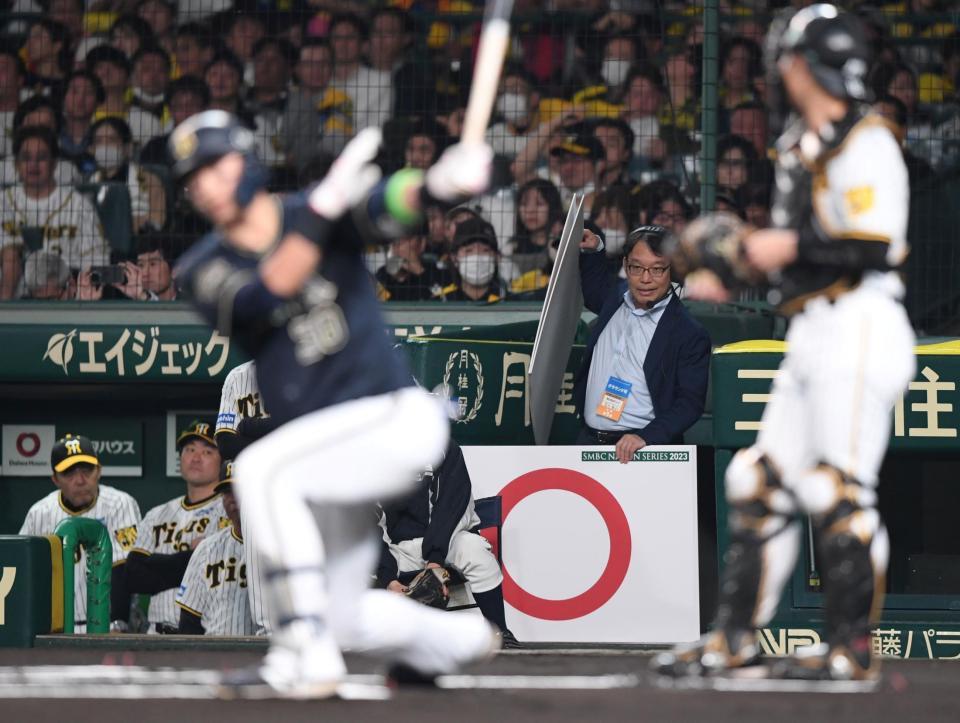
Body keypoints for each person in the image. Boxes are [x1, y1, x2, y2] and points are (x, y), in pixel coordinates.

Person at [170, 110, 498, 697]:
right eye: (195, 177)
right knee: (342, 613)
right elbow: (264, 292)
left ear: (247, 161)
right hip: (330, 451)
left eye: (216, 166)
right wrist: (322, 212)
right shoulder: (201, 268)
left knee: (265, 468)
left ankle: (299, 656)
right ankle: (460, 641)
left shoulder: (315, 212)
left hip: (392, 419)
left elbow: (387, 206)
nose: (207, 185)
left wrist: (438, 185)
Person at [652, 5, 915, 683]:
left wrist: (783, 245)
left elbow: (879, 245)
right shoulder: (806, 141)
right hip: (812, 327)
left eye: (790, 60)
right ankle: (734, 638)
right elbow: (801, 257)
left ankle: (852, 649)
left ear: (809, 63)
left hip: (860, 324)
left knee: (837, 488)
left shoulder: (868, 139)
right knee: (756, 479)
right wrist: (736, 264)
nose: (782, 72)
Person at [575, 224, 710, 463]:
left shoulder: (688, 333)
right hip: (588, 441)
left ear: (673, 270)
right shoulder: (614, 297)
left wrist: (646, 437)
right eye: (637, 268)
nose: (646, 279)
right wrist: (595, 248)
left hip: (642, 452)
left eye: (657, 269)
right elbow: (594, 286)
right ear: (626, 266)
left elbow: (690, 403)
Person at [376, 438, 516, 645]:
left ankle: (498, 632)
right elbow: (365, 525)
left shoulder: (442, 446)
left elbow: (452, 508)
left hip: (444, 542)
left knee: (473, 548)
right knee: (354, 562)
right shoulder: (370, 454)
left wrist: (434, 562)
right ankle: (366, 640)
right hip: (397, 551)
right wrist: (388, 579)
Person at [19, 434, 141, 632]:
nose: (80, 480)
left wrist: (118, 624)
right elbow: (23, 574)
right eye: (69, 473)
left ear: (99, 471)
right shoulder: (40, 513)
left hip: (108, 626)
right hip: (54, 629)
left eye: (87, 470)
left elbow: (123, 570)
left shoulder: (119, 504)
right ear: (55, 479)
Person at [126, 420, 227, 634]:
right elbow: (133, 575)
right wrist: (189, 558)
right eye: (190, 450)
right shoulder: (157, 514)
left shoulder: (230, 510)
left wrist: (155, 564)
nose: (196, 458)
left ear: (222, 462)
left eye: (208, 452)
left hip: (206, 635)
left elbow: (220, 573)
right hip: (155, 633)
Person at [0, 127, 108, 300]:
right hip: (15, 302)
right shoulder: (2, 202)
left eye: (41, 157)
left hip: (66, 302)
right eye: (26, 158)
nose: (33, 165)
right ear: (16, 164)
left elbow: (100, 265)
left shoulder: (79, 205)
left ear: (54, 163)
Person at [176, 460, 255, 635]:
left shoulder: (279, 546)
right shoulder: (207, 549)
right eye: (227, 492)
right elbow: (189, 621)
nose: (233, 499)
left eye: (240, 490)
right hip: (214, 655)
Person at [86, 117, 167, 233]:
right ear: (91, 149)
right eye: (98, 141)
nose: (104, 146)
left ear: (127, 148)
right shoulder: (89, 183)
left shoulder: (149, 181)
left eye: (112, 140)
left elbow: (157, 221)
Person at [432, 217, 504, 303]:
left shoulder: (511, 301)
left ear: (497, 257)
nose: (477, 257)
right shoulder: (441, 302)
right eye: (468, 251)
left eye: (485, 250)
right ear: (454, 258)